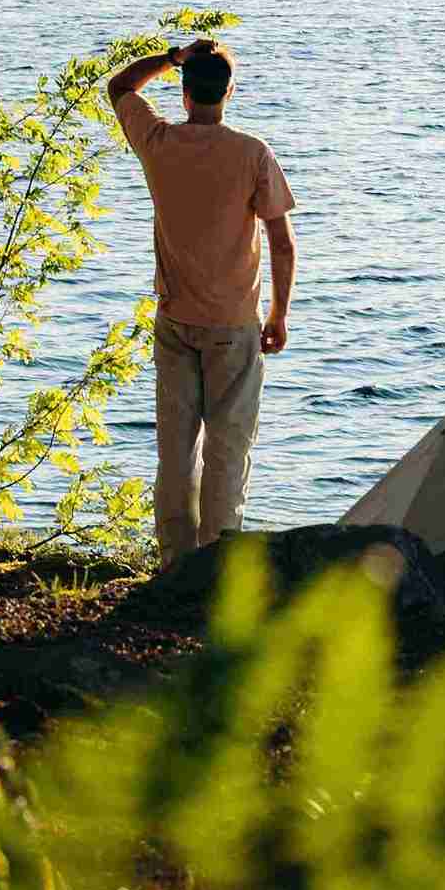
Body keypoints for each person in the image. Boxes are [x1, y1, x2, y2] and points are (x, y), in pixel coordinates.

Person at [107, 35, 296, 566]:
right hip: (234, 325)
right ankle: (216, 567)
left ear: (185, 93)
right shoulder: (252, 153)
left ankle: (173, 564)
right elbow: (281, 240)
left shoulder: (159, 142)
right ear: (229, 92)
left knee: (176, 452)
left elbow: (119, 85)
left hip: (175, 320)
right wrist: (279, 314)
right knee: (227, 452)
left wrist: (170, 58)